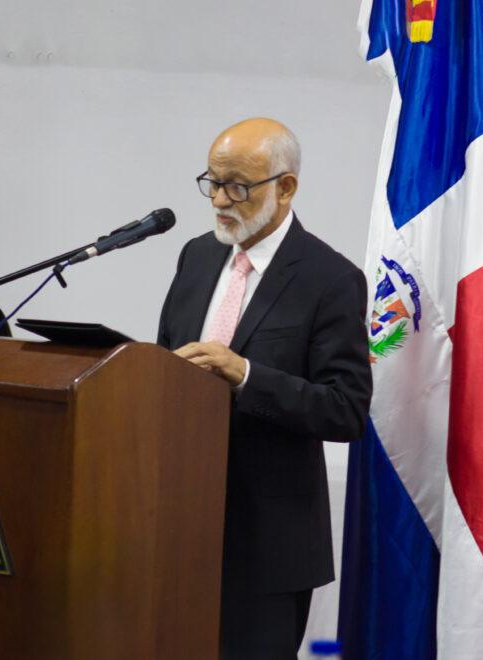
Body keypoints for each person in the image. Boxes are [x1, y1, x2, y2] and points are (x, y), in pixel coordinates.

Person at [157, 118, 373, 659]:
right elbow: (162, 365)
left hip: (267, 548)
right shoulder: (197, 256)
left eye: (238, 186)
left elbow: (344, 411)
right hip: (176, 527)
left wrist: (246, 374)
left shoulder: (331, 279)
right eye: (213, 182)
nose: (221, 200)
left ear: (286, 187)